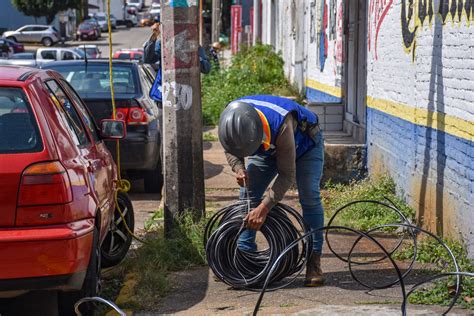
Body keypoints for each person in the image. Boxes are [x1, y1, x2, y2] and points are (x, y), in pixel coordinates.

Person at [218, 95, 325, 287]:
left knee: (309, 196)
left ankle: (313, 261)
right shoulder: (231, 117)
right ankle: (242, 259)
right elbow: (230, 146)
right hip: (269, 149)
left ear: (257, 135)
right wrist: (238, 168)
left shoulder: (280, 123)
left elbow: (286, 175)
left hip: (305, 145)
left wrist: (264, 208)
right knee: (248, 194)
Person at [144, 20, 212, 102]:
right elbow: (148, 59)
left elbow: (206, 68)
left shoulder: (194, 46)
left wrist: (193, 55)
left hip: (187, 98)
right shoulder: (163, 44)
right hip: (165, 97)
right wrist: (154, 36)